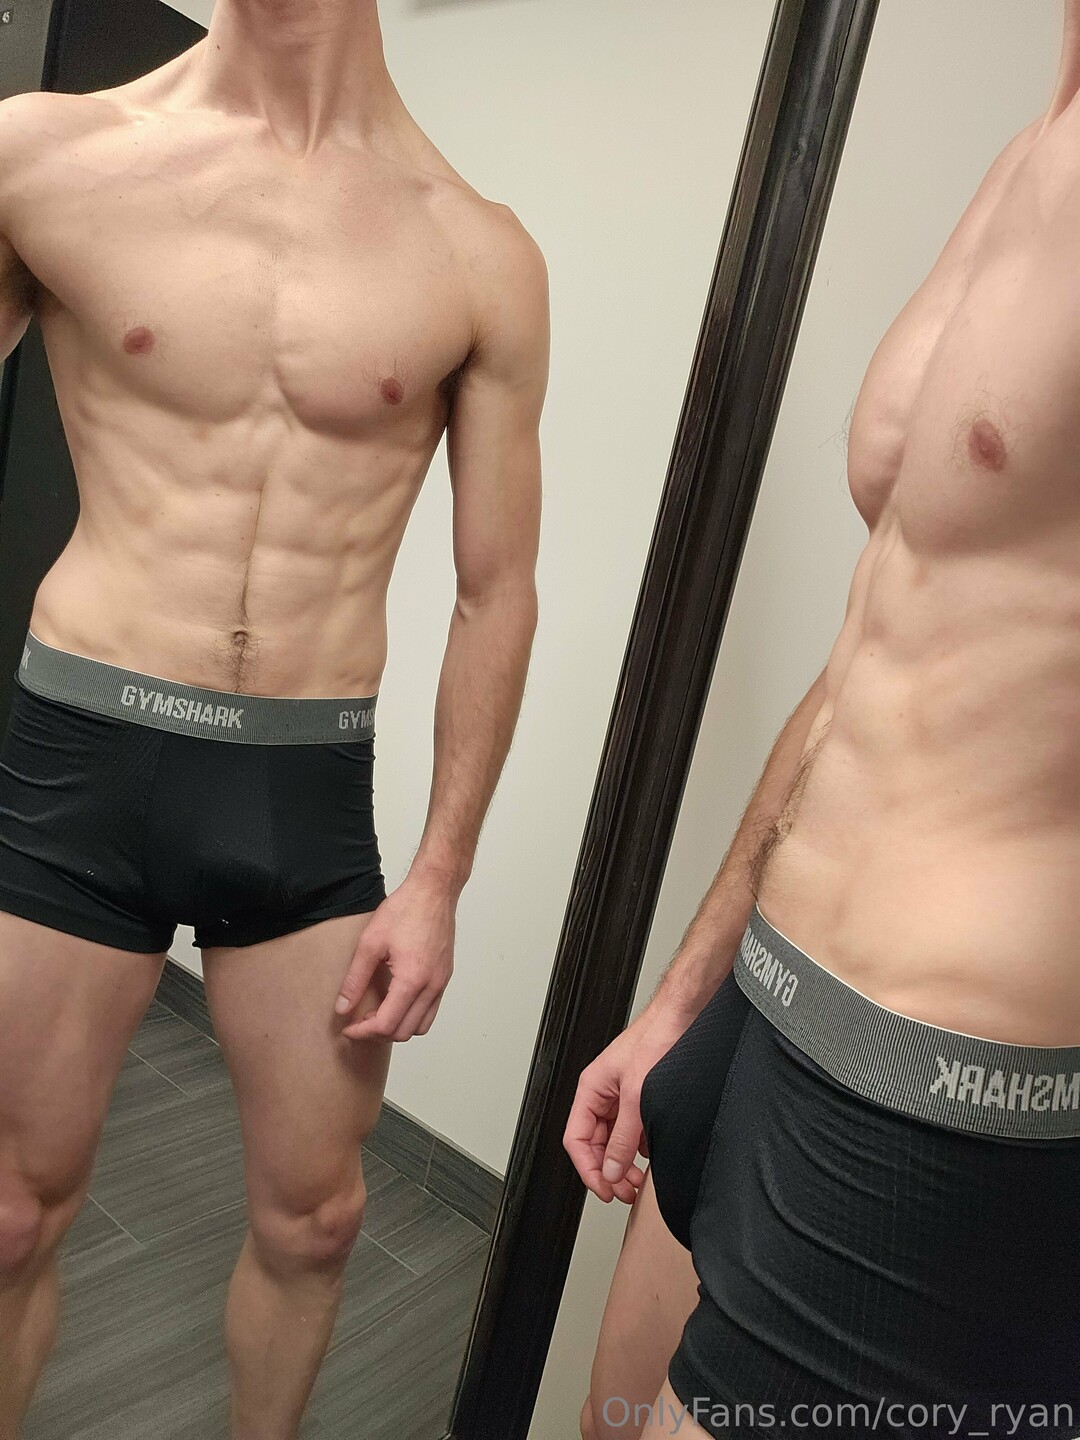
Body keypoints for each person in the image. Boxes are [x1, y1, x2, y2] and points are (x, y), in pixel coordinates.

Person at [0, 2, 549, 1435]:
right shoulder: (45, 156)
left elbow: (495, 592)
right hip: (78, 761)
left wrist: (437, 878)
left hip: (302, 789)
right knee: (9, 1212)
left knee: (317, 1221)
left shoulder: (477, 252)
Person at [566, 6, 1080, 1437]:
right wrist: (686, 993)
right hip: (768, 995)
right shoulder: (1034, 147)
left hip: (937, 1094)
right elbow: (879, 641)